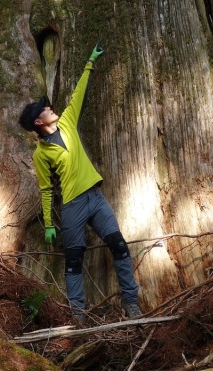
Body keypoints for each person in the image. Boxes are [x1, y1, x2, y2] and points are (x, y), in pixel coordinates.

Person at [18, 43, 142, 322]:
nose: (50, 108)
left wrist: (90, 62)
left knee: (119, 246)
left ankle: (131, 303)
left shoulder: (67, 123)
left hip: (96, 199)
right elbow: (47, 189)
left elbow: (78, 95)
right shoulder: (41, 154)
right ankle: (78, 314)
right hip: (72, 206)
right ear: (39, 122)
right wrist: (49, 223)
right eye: (45, 109)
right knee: (74, 262)